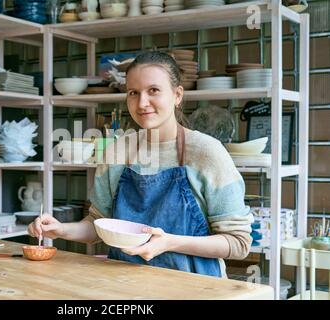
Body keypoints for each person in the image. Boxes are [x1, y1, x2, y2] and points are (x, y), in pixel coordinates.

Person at [28, 51, 253, 277]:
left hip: (194, 287)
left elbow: (238, 243)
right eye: (133, 93)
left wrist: (169, 243)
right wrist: (61, 229)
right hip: (125, 284)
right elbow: (98, 224)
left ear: (177, 95)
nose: (142, 103)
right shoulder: (118, 151)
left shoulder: (207, 152)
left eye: (153, 90)